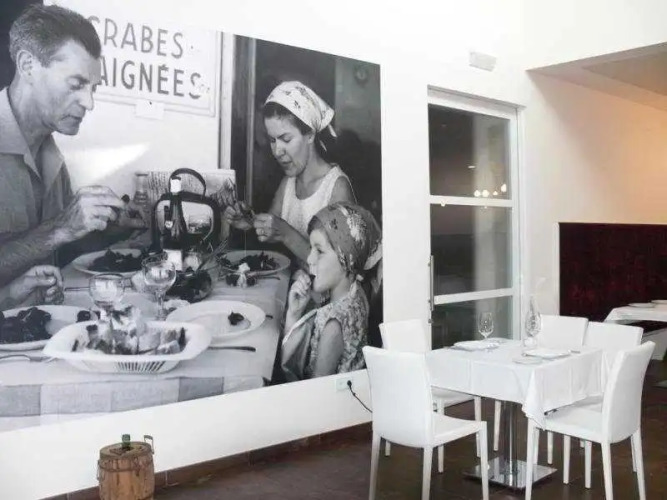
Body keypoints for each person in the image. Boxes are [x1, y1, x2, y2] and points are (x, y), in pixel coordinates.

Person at [0, 4, 143, 287]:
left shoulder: (51, 155)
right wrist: (60, 228)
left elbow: (59, 252)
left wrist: (110, 230)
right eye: (76, 84)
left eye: (93, 88)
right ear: (27, 65)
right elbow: (56, 234)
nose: (89, 103)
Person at [224, 81, 355, 264]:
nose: (277, 151)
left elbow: (340, 268)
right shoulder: (288, 183)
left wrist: (287, 234)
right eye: (272, 140)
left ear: (310, 134)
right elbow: (271, 231)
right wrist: (250, 223)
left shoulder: (337, 187)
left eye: (286, 139)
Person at [280, 202, 382, 380]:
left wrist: (292, 318)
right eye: (311, 249)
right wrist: (294, 313)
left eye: (319, 251)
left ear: (347, 260)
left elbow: (315, 391)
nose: (310, 259)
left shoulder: (333, 327)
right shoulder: (356, 293)